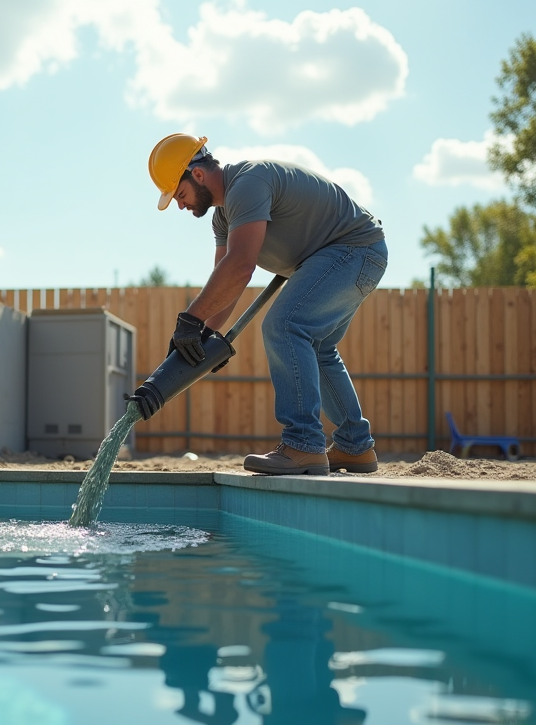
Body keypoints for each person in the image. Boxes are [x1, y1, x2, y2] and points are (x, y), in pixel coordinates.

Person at [145, 133, 386, 475]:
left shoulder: (248, 184)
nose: (180, 206)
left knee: (284, 325)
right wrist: (204, 337)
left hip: (355, 251)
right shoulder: (223, 217)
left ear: (197, 174)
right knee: (318, 348)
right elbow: (226, 283)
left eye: (180, 195)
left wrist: (190, 319)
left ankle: (303, 444)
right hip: (356, 257)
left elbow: (241, 265)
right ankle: (355, 447)